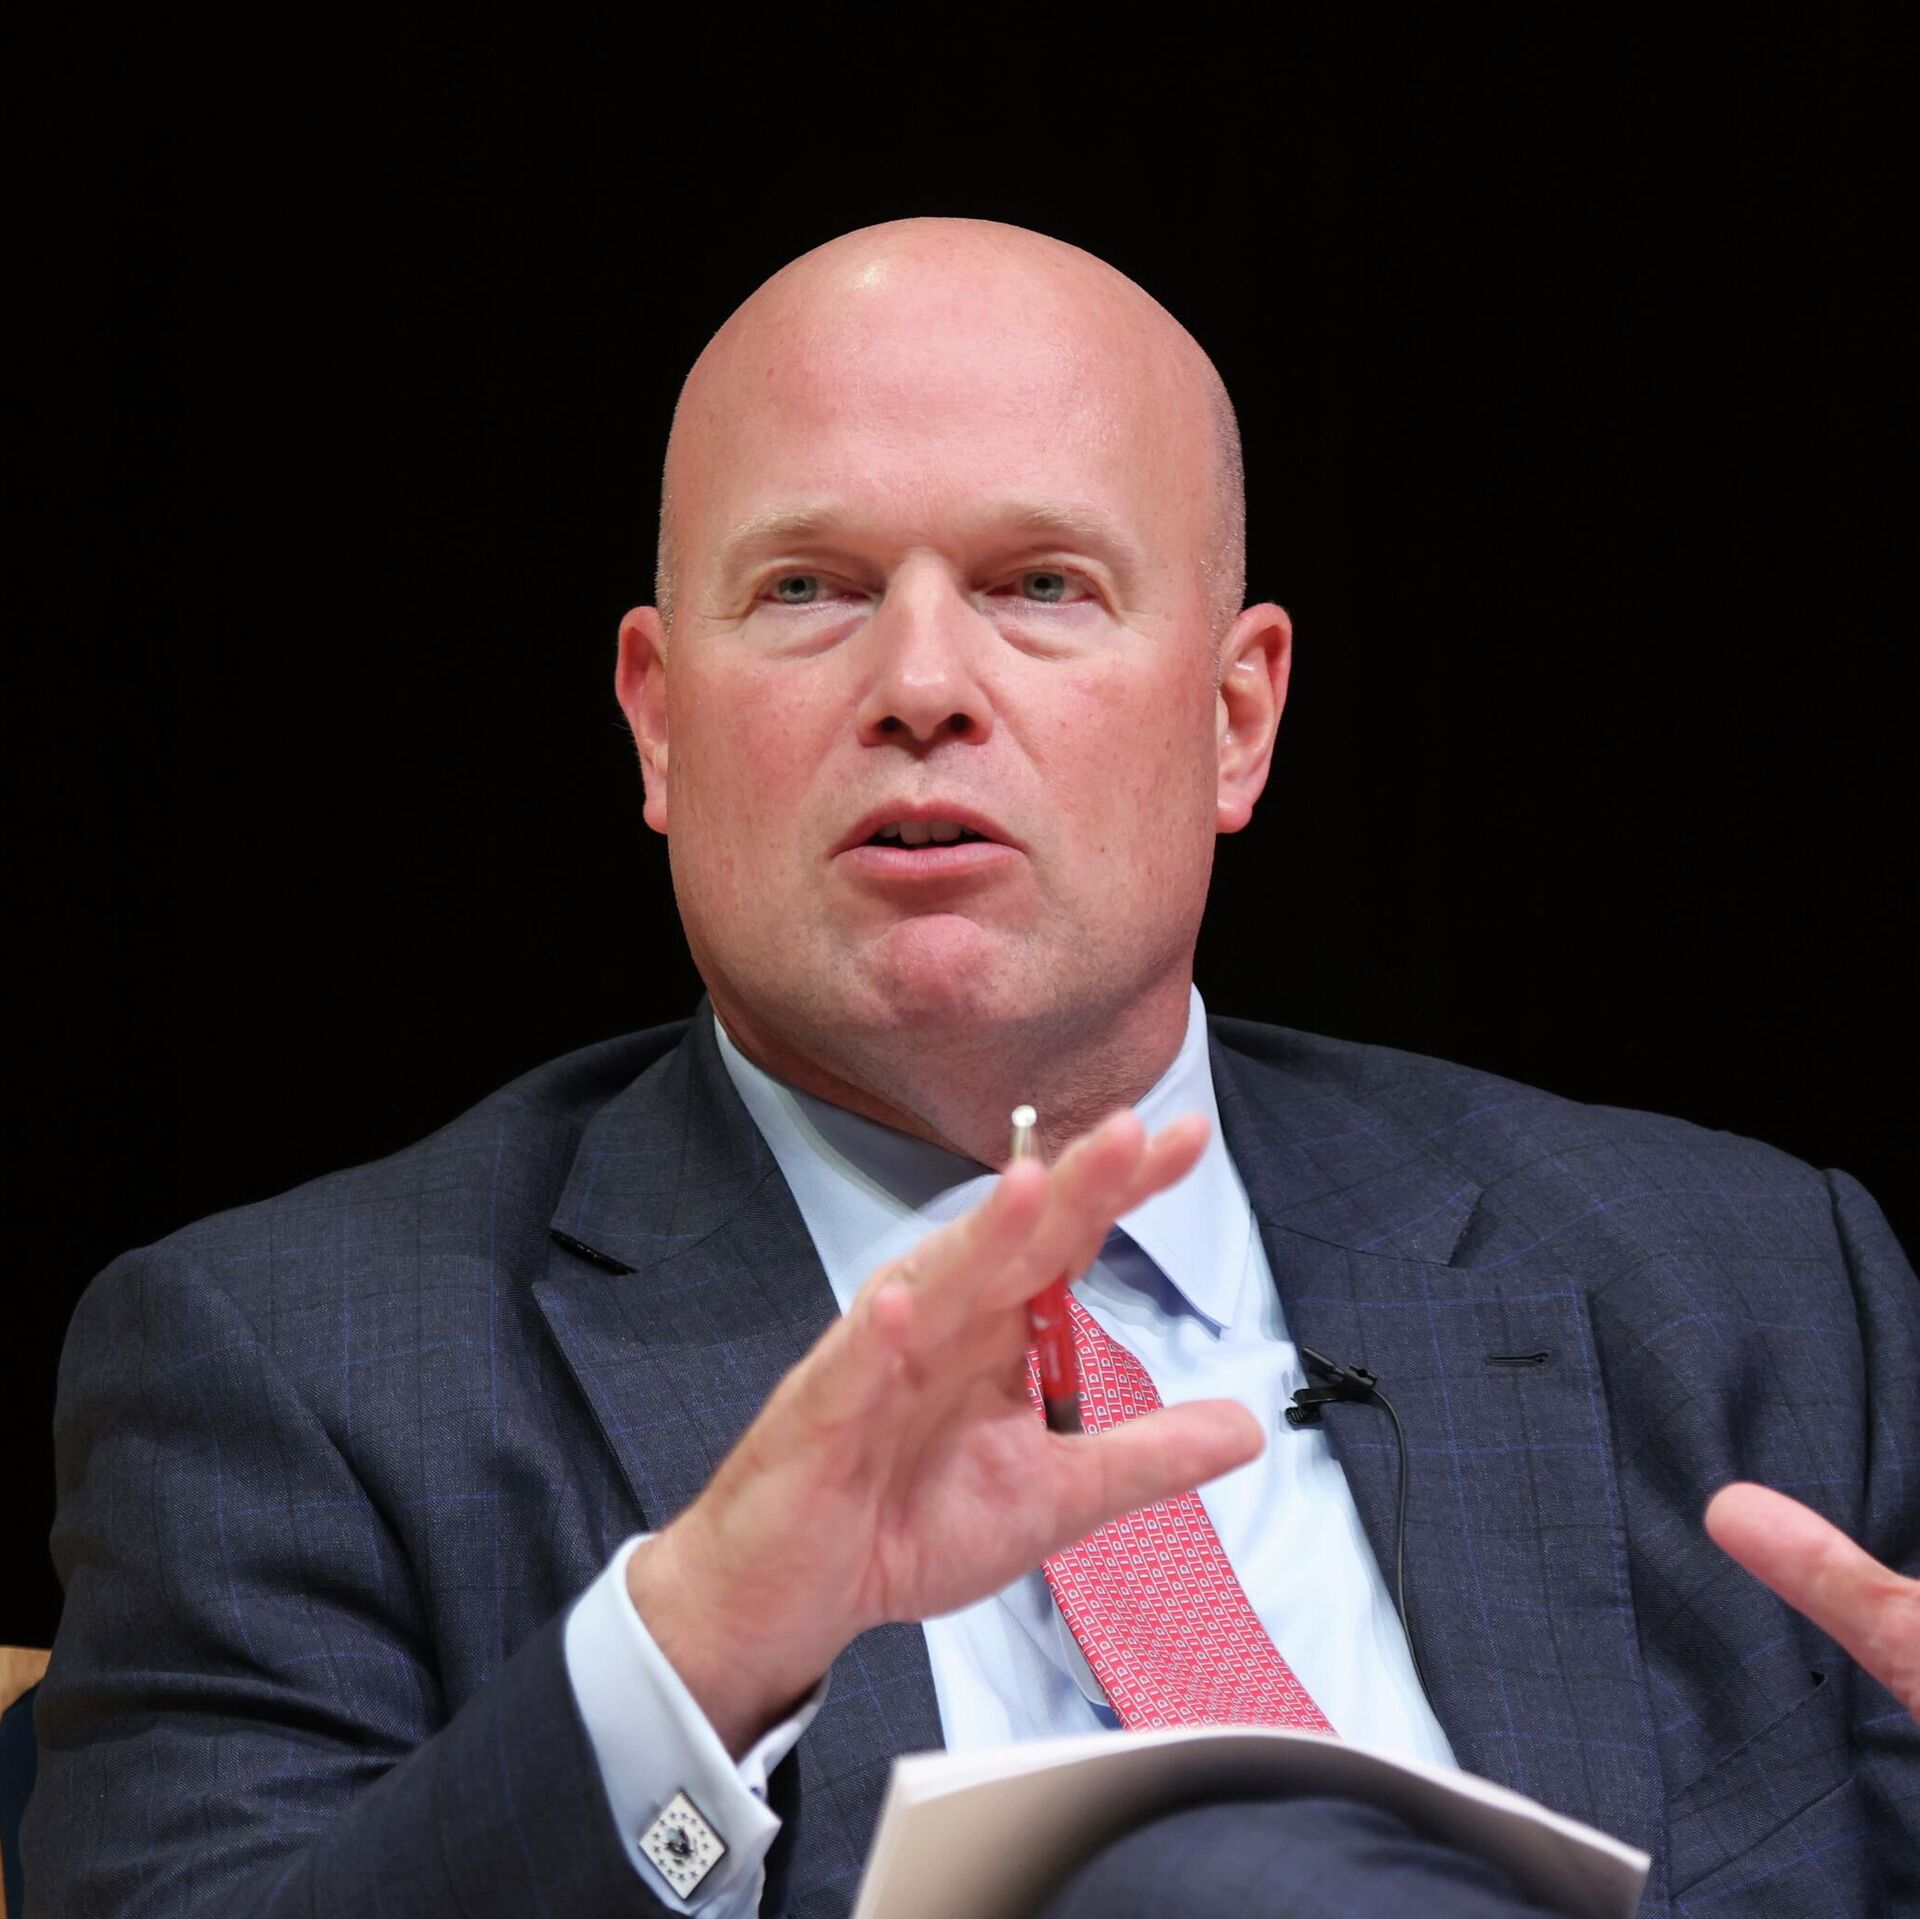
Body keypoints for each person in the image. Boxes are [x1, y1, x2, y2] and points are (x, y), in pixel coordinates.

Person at [22, 218, 1917, 1919]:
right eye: (807, 589)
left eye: (1041, 584)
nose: (922, 684)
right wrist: (697, 1656)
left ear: (1236, 718)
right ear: (660, 725)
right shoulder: (292, 1378)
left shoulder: (1750, 1290)